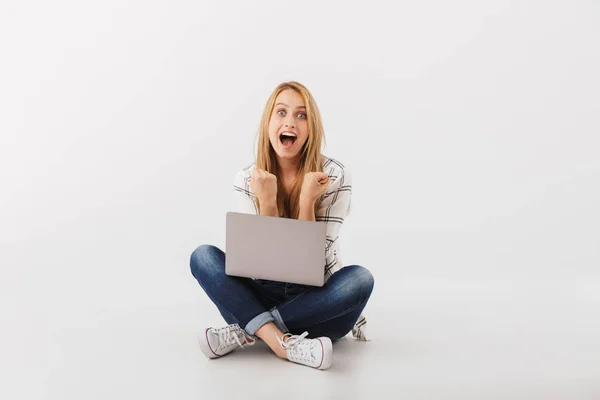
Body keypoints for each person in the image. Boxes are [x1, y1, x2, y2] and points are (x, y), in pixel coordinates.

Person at [190, 81, 374, 370]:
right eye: (282, 112)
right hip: (261, 291)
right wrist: (267, 202)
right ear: (268, 123)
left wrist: (306, 202)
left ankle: (251, 329)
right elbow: (261, 266)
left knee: (360, 280)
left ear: (311, 128)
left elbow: (307, 270)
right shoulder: (248, 179)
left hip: (318, 303)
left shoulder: (334, 176)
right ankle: (285, 343)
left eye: (302, 115)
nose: (291, 122)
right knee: (202, 256)